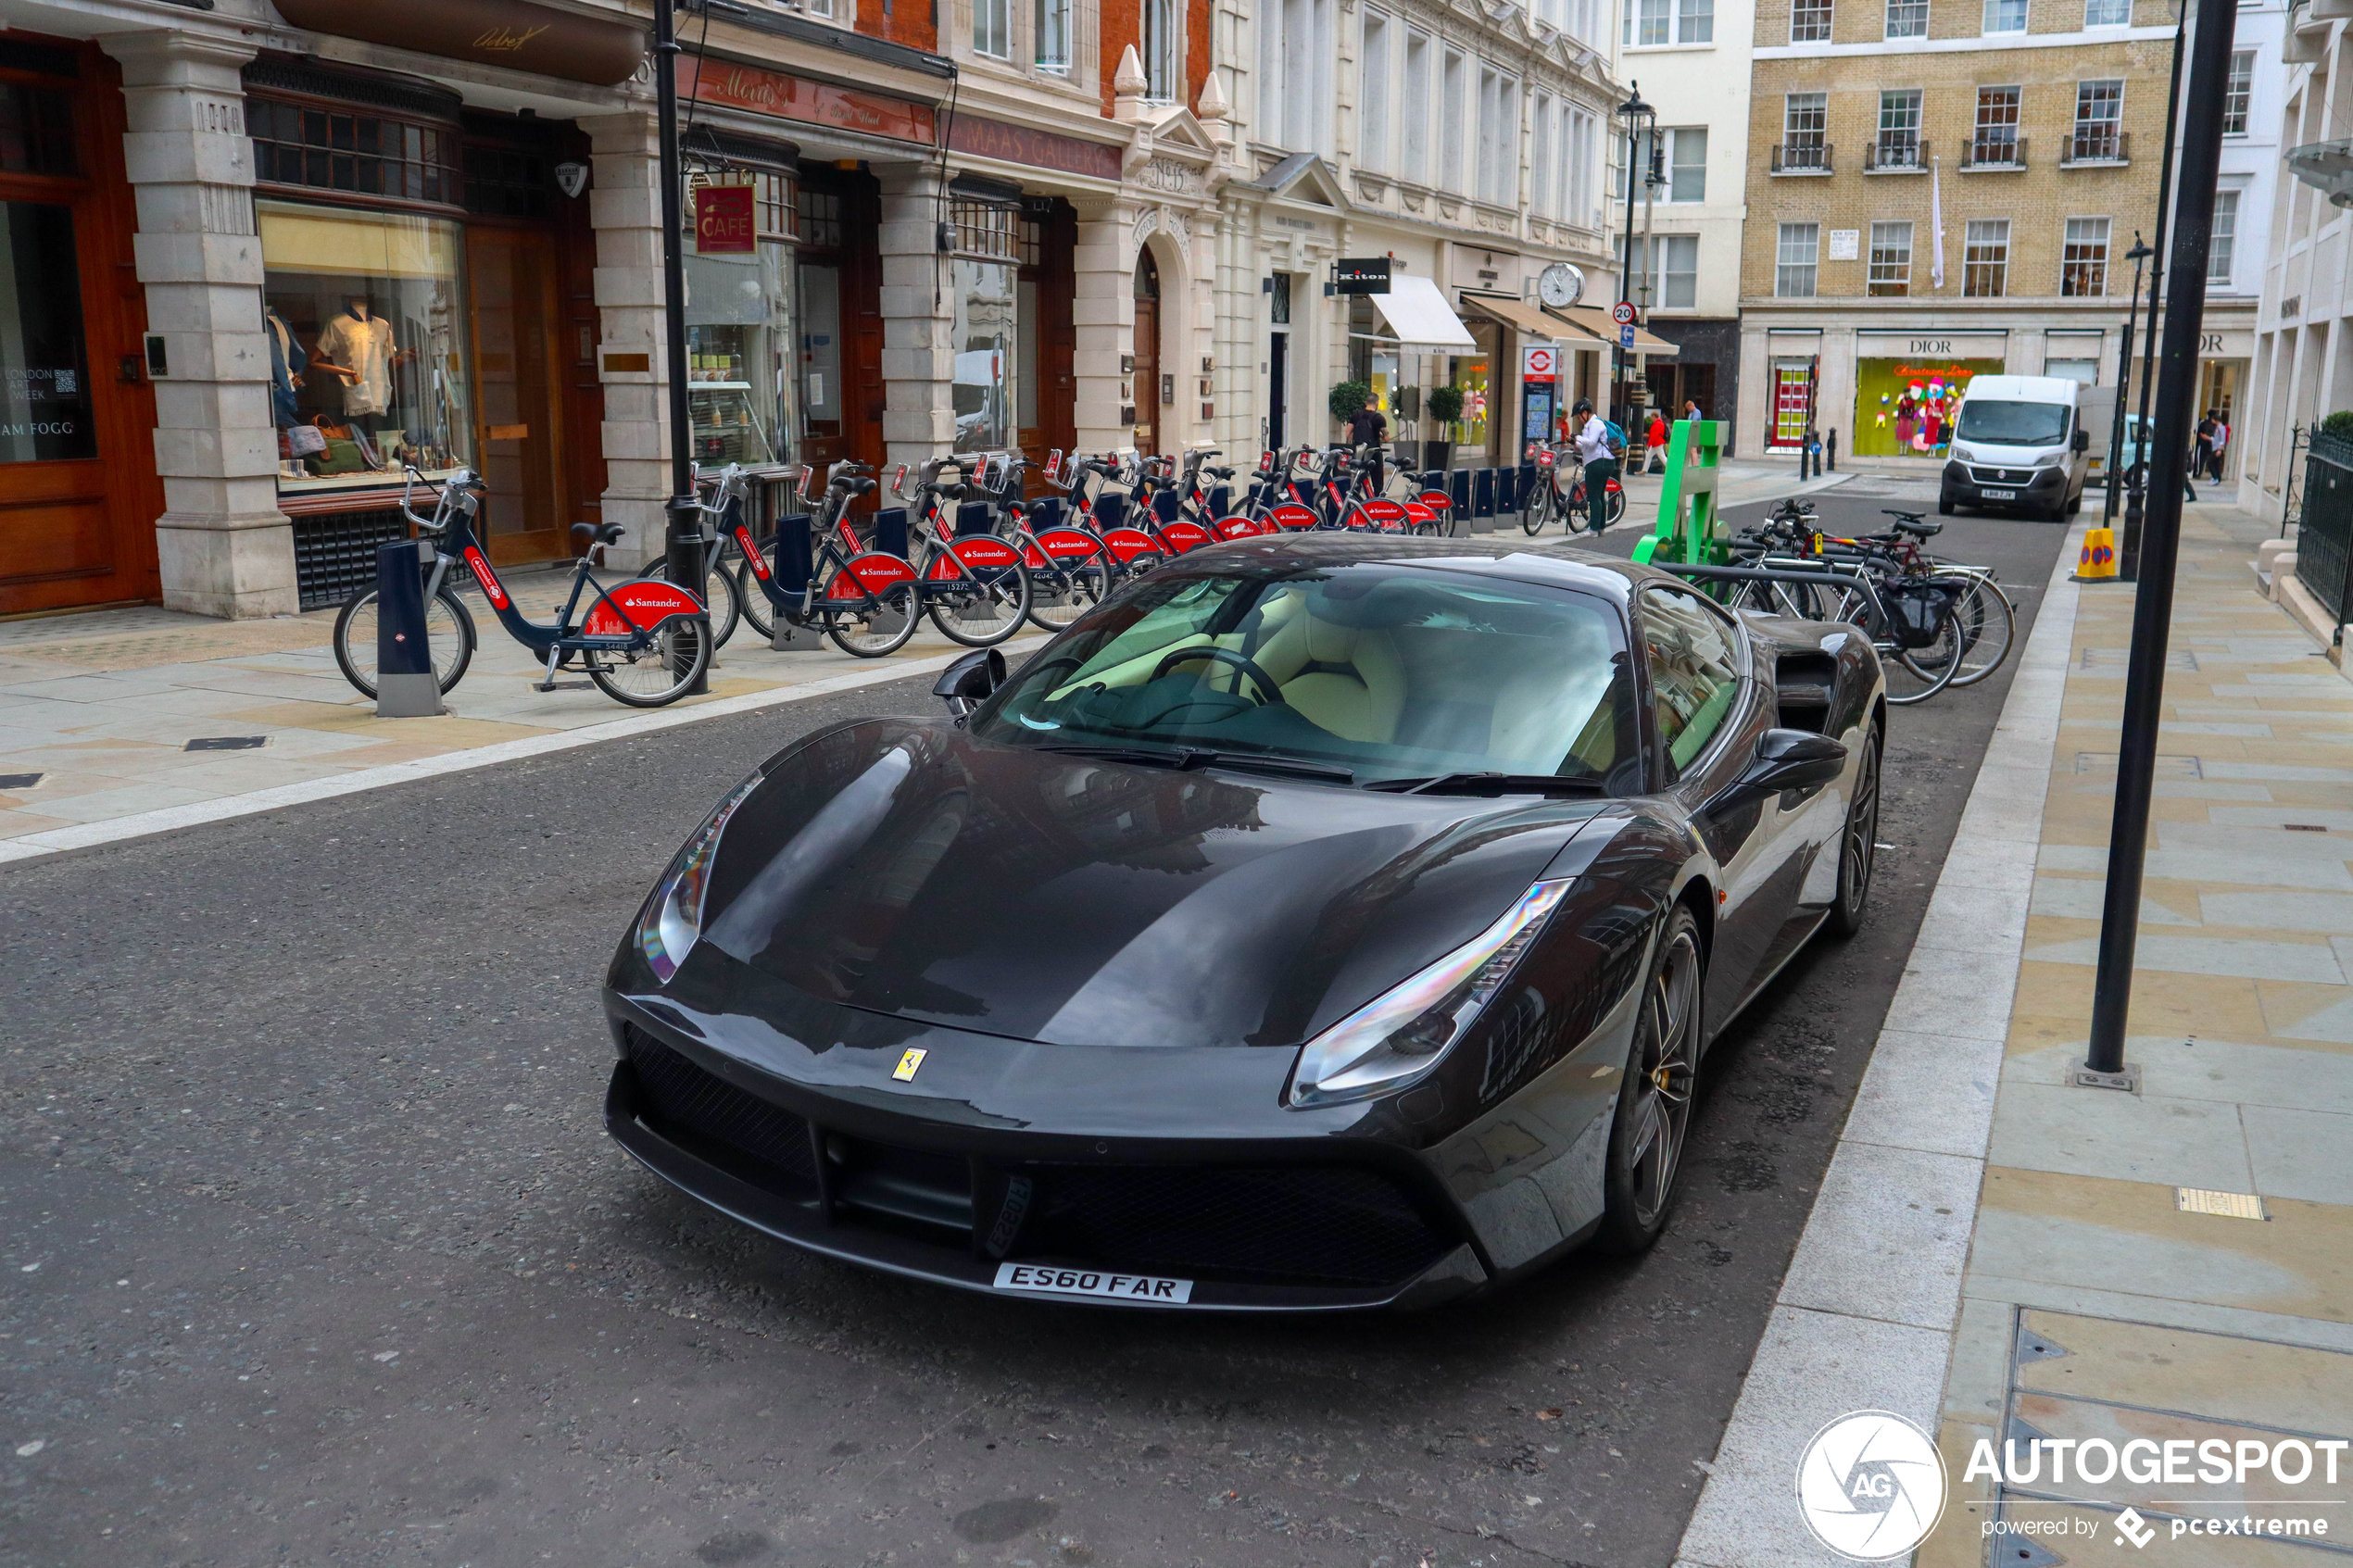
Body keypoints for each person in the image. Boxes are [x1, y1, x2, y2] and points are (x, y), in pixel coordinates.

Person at [1569, 397, 1623, 533]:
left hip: (1598, 463)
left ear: (1585, 413)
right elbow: (1585, 446)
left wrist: (1578, 438)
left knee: (1593, 496)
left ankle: (1593, 529)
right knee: (1599, 496)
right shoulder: (1591, 425)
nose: (1578, 420)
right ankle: (1600, 527)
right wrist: (1574, 441)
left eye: (1578, 416)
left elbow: (1592, 442)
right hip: (1603, 462)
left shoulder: (1595, 424)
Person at [1346, 395, 1389, 491]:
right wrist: (1380, 435)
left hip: (1359, 451)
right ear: (1377, 403)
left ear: (1366, 402)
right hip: (1374, 452)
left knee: (1357, 478)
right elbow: (1387, 438)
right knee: (1377, 481)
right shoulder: (1379, 418)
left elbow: (1348, 434)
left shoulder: (1356, 415)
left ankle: (1356, 500)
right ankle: (1375, 501)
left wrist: (1358, 439)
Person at [2194, 411, 2218, 483]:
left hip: (2207, 444)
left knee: (2203, 460)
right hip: (2206, 444)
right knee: (2203, 459)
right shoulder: (2210, 425)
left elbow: (2200, 433)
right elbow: (2201, 434)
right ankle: (2201, 473)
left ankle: (2200, 473)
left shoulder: (2205, 424)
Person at [1645, 408, 1670, 472]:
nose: (1651, 418)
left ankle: (1670, 467)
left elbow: (1654, 435)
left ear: (1654, 417)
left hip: (1657, 443)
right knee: (1649, 456)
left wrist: (1649, 444)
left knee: (1662, 456)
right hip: (1657, 443)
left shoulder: (1657, 424)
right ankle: (1644, 470)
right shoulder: (1660, 423)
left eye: (1651, 417)